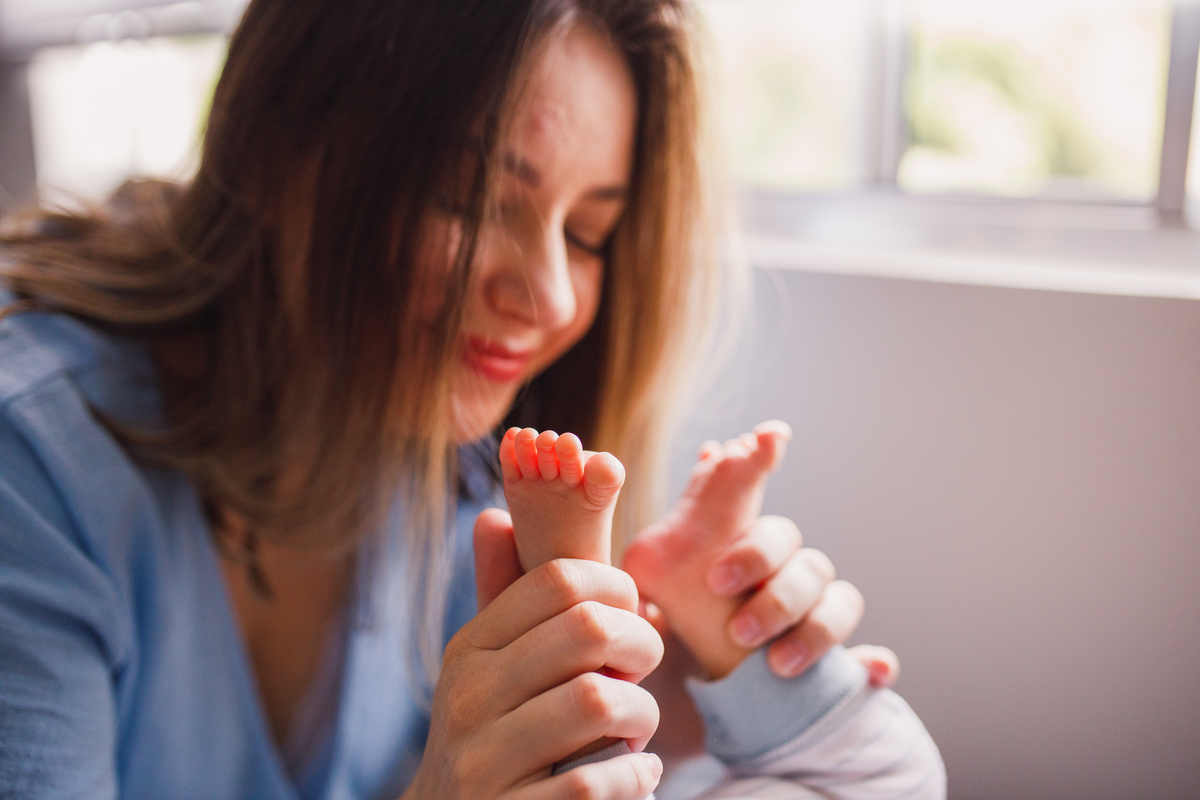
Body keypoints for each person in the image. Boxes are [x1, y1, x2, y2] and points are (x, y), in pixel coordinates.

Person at [0, 1, 944, 798]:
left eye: (588, 232)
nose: (553, 298)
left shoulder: (473, 470)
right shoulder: (31, 469)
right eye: (470, 196)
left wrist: (756, 656)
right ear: (285, 148)